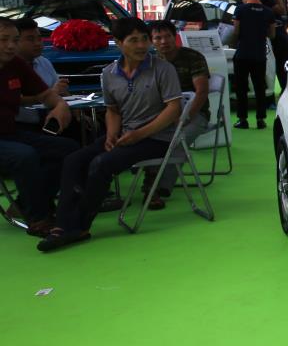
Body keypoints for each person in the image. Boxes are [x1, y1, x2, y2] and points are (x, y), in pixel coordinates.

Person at [38, 19, 182, 252]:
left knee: (101, 164)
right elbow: (113, 110)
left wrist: (138, 134)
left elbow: (174, 109)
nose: (141, 45)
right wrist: (111, 135)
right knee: (74, 160)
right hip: (125, 135)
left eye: (144, 39)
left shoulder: (163, 69)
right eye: (133, 40)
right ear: (119, 43)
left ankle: (79, 226)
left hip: (158, 138)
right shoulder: (109, 73)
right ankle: (62, 224)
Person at [0, 18, 76, 238]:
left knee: (68, 149)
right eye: (4, 40)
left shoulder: (16, 64)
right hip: (9, 139)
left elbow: (46, 94)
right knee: (25, 156)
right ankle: (38, 218)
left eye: (14, 40)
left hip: (9, 133)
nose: (11, 46)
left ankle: (30, 203)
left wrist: (60, 105)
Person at [147, 20, 210, 210]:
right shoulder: (150, 61)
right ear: (151, 41)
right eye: (158, 38)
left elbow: (201, 92)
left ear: (175, 36)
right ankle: (151, 182)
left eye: (167, 36)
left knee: (178, 140)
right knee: (149, 138)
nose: (163, 41)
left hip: (194, 114)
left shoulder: (193, 57)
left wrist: (185, 118)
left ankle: (158, 188)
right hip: (163, 114)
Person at [232, 0, 275, 130]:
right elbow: (272, 34)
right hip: (259, 55)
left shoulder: (240, 9)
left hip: (242, 54)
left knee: (241, 88)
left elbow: (236, 31)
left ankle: (242, 119)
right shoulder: (268, 12)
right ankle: (260, 119)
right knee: (259, 87)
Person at [15, 18, 67, 128]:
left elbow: (59, 91)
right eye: (30, 39)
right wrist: (50, 94)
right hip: (20, 124)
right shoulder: (7, 66)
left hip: (51, 119)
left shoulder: (43, 62)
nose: (37, 43)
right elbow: (15, 99)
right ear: (15, 41)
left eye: (39, 38)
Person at [264, 0, 288, 90]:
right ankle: (284, 87)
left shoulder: (271, 1)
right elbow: (282, 11)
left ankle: (286, 86)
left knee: (285, 63)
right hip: (276, 41)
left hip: (281, 38)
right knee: (281, 64)